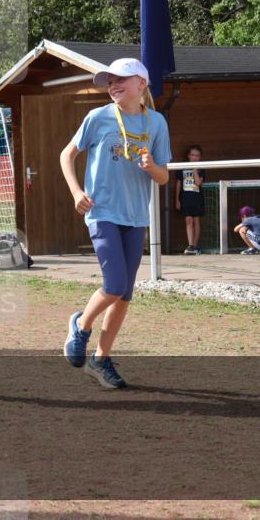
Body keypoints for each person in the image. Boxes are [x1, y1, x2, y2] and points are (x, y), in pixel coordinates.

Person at [60, 57, 170, 390]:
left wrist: (151, 166)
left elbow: (163, 177)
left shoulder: (157, 123)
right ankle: (81, 324)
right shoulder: (98, 117)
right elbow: (67, 155)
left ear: (142, 83)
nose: (113, 85)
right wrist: (76, 191)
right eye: (109, 81)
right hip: (102, 211)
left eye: (120, 79)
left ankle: (101, 360)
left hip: (136, 216)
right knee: (115, 284)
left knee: (125, 296)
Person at [175, 144, 205, 255]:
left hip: (197, 198)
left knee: (196, 221)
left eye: (197, 155)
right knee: (188, 220)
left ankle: (195, 246)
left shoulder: (201, 168)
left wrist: (194, 170)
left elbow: (198, 182)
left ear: (200, 157)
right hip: (185, 198)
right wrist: (177, 200)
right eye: (192, 155)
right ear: (188, 156)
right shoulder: (182, 167)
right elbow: (178, 184)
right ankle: (190, 245)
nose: (195, 157)